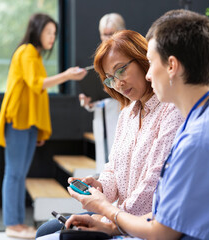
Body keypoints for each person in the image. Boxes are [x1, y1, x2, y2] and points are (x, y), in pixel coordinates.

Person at [56, 9, 209, 240]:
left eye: (150, 62)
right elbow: (161, 214)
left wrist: (108, 215)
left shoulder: (198, 136)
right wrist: (106, 210)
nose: (149, 75)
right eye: (110, 77)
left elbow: (163, 230)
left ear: (171, 66)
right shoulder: (207, 117)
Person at [36, 29, 184, 238]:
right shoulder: (127, 114)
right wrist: (99, 186)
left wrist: (106, 218)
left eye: (121, 70)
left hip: (140, 222)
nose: (118, 83)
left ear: (144, 60)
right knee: (47, 229)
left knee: (65, 235)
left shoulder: (171, 110)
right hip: (118, 215)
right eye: (110, 78)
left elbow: (153, 186)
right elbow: (113, 169)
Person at [0, 13, 87, 239]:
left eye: (54, 34)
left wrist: (39, 128)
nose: (52, 38)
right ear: (36, 31)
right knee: (14, 174)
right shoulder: (26, 51)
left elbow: (36, 94)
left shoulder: (34, 55)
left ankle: (15, 224)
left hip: (28, 123)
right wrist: (67, 75)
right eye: (48, 32)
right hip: (18, 120)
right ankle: (12, 224)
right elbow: (38, 85)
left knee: (19, 173)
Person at [79, 13, 126, 173]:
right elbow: (98, 97)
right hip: (104, 119)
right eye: (104, 34)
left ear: (121, 32)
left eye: (111, 33)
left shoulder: (128, 58)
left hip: (122, 115)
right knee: (104, 168)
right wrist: (88, 102)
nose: (107, 38)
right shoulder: (99, 60)